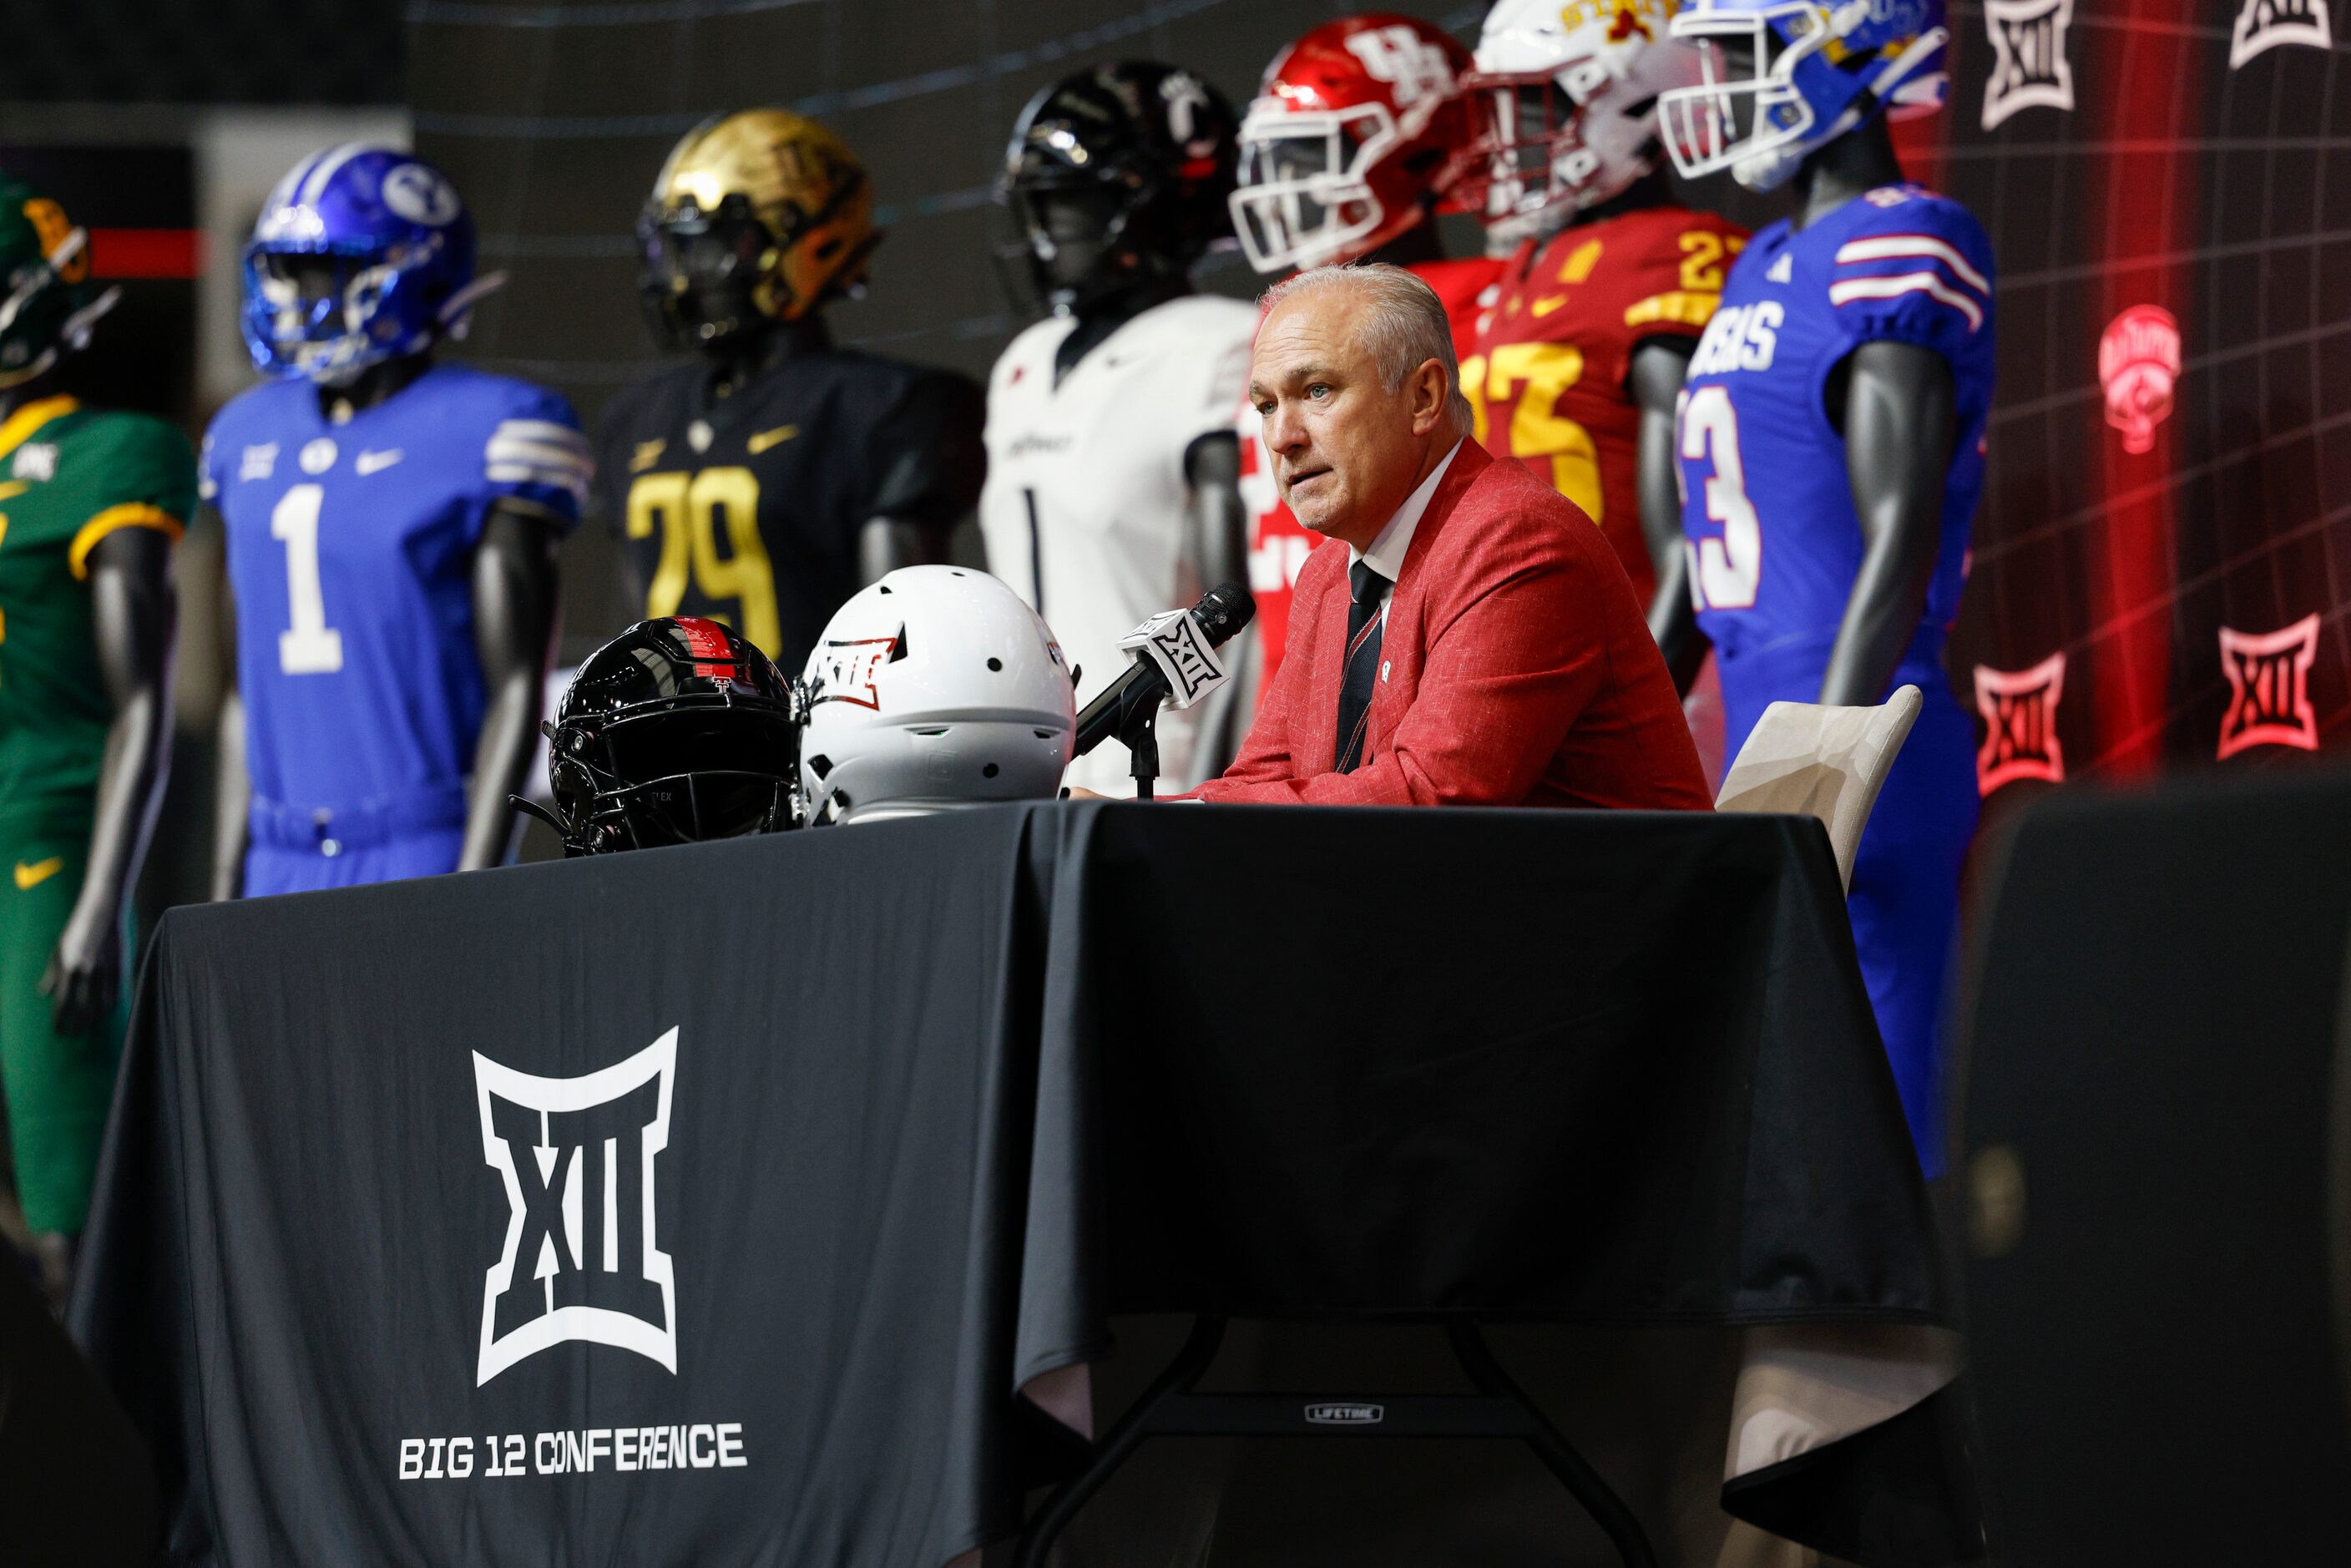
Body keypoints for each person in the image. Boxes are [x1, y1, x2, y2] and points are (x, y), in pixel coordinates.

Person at [1656, 0, 1989, 1170]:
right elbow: (1692, 544)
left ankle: (1932, 1337)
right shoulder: (1762, 257)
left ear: (1850, 50)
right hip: (1768, 723)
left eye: (1749, 55)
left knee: (1887, 1096)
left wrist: (1825, 747)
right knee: (1800, 1096)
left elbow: (1895, 524)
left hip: (1865, 724)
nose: (1722, 85)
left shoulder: (1907, 237)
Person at [1166, 265, 1710, 809]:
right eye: (1266, 406)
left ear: (1423, 396)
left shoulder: (1517, 541)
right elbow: (1265, 777)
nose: (1283, 438)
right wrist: (1137, 824)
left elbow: (1437, 794)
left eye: (1317, 390)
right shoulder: (1329, 573)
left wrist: (1172, 825)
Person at [208, 145, 582, 898]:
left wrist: (476, 884)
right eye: (282, 270)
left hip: (421, 845)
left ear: (407, 273)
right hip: (274, 849)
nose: (290, 296)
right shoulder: (244, 433)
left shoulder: (489, 428)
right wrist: (221, 880)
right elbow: (241, 693)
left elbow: (518, 687)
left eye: (319, 270)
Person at [598, 109, 985, 675]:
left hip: (813, 754)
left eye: (715, 247)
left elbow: (900, 656)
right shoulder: (638, 416)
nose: (688, 275)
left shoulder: (880, 407)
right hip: (673, 752)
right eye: (679, 251)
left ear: (811, 239)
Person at [0, 175, 190, 1309]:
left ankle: (102, 1469)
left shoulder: (109, 455)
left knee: (68, 1188)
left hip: (48, 831)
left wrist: (95, 899)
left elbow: (143, 696)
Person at [980, 63, 1255, 797]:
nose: (1047, 237)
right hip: (1020, 780)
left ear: (1154, 205)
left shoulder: (1219, 346)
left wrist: (1223, 789)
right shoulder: (1023, 364)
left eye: (1070, 207)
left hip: (1157, 778)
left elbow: (1244, 611)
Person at [1230, 15, 1502, 701]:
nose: (1289, 190)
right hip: (1310, 663)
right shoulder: (1279, 326)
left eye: (1314, 156)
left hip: (1438, 669)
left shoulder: (1490, 306)